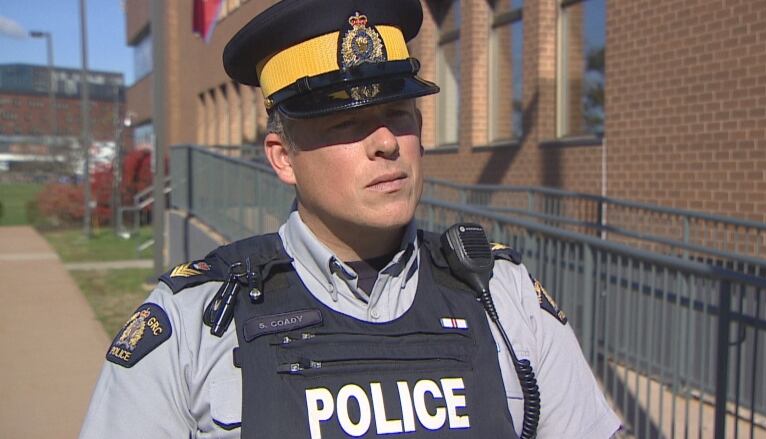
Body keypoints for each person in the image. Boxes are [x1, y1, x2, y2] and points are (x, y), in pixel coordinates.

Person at [80, 0, 621, 437]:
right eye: (347, 123)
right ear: (282, 156)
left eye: (396, 115)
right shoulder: (198, 322)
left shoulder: (503, 296)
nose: (386, 142)